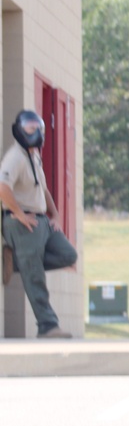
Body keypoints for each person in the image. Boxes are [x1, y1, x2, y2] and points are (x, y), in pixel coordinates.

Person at [0, 110, 78, 338]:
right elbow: (2, 187)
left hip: (42, 221)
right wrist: (18, 213)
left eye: (38, 127)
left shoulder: (33, 156)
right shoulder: (14, 157)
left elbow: (42, 188)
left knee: (68, 255)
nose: (36, 132)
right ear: (19, 130)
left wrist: (54, 215)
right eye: (30, 127)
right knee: (34, 275)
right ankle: (48, 326)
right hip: (24, 223)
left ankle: (14, 262)